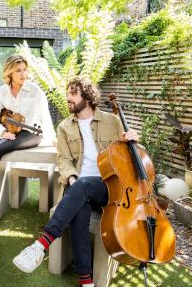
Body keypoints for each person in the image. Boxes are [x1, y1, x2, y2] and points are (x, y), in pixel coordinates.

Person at [12, 77, 139, 287]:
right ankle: (86, 281)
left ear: (87, 97)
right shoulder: (64, 127)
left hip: (110, 186)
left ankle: (41, 244)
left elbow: (126, 153)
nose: (68, 98)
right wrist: (71, 178)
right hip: (80, 187)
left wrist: (132, 139)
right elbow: (62, 159)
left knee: (84, 185)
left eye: (73, 93)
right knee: (80, 213)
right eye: (68, 93)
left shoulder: (111, 121)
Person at [0, 54, 56, 181]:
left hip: (30, 133)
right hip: (7, 129)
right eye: (18, 70)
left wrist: (53, 139)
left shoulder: (35, 91)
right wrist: (2, 132)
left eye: (25, 69)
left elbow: (45, 116)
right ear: (10, 73)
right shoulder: (2, 91)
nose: (23, 74)